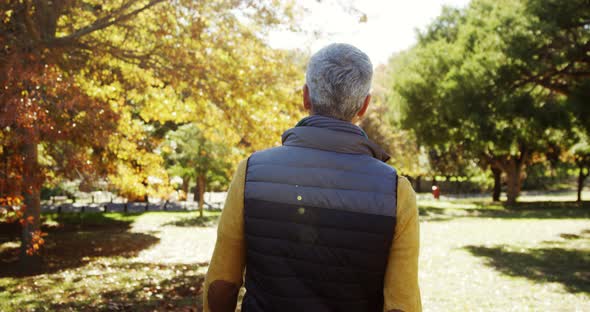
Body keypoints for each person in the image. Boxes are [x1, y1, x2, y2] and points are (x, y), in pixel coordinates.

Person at [203, 43, 421, 312]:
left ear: (305, 96)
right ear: (365, 105)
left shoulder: (250, 172)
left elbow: (222, 284)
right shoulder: (395, 190)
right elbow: (402, 304)